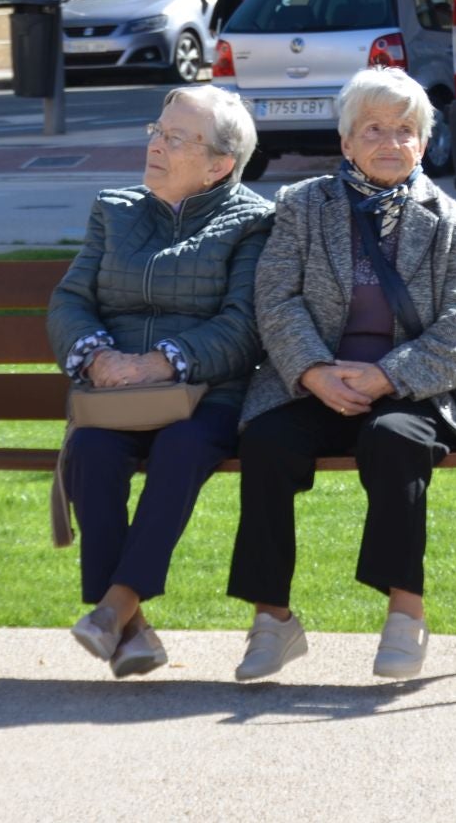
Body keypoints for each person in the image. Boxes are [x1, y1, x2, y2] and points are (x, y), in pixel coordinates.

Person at [228, 66, 456, 683]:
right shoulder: (301, 205)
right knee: (266, 441)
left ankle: (406, 613)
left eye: (405, 130)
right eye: (373, 128)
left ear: (424, 144)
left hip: (410, 390)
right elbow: (276, 298)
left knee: (394, 439)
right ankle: (272, 620)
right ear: (346, 142)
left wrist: (386, 377)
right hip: (313, 385)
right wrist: (315, 371)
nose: (390, 142)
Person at [47, 85, 272, 677]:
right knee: (90, 452)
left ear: (219, 165)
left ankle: (116, 606)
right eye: (157, 131)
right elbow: (71, 301)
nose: (156, 146)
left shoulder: (251, 222)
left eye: (176, 138)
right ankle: (133, 629)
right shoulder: (115, 208)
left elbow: (244, 324)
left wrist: (163, 361)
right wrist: (96, 357)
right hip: (114, 397)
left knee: (181, 448)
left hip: (207, 395)